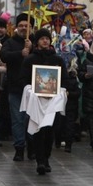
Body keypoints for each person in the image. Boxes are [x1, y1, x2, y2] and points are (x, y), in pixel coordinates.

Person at [21, 28, 75, 174]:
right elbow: (25, 80)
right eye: (42, 38)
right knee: (39, 130)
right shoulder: (30, 60)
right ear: (37, 42)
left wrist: (64, 89)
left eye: (47, 38)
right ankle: (40, 160)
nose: (45, 41)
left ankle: (47, 157)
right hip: (37, 101)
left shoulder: (57, 59)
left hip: (52, 101)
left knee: (51, 129)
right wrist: (31, 90)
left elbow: (64, 78)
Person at [0, 13, 34, 161]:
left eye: (26, 26)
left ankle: (32, 147)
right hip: (16, 88)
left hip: (33, 89)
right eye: (20, 25)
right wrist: (21, 53)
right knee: (18, 120)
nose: (23, 28)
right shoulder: (10, 42)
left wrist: (32, 49)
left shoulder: (35, 41)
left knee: (32, 119)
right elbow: (4, 55)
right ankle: (19, 147)